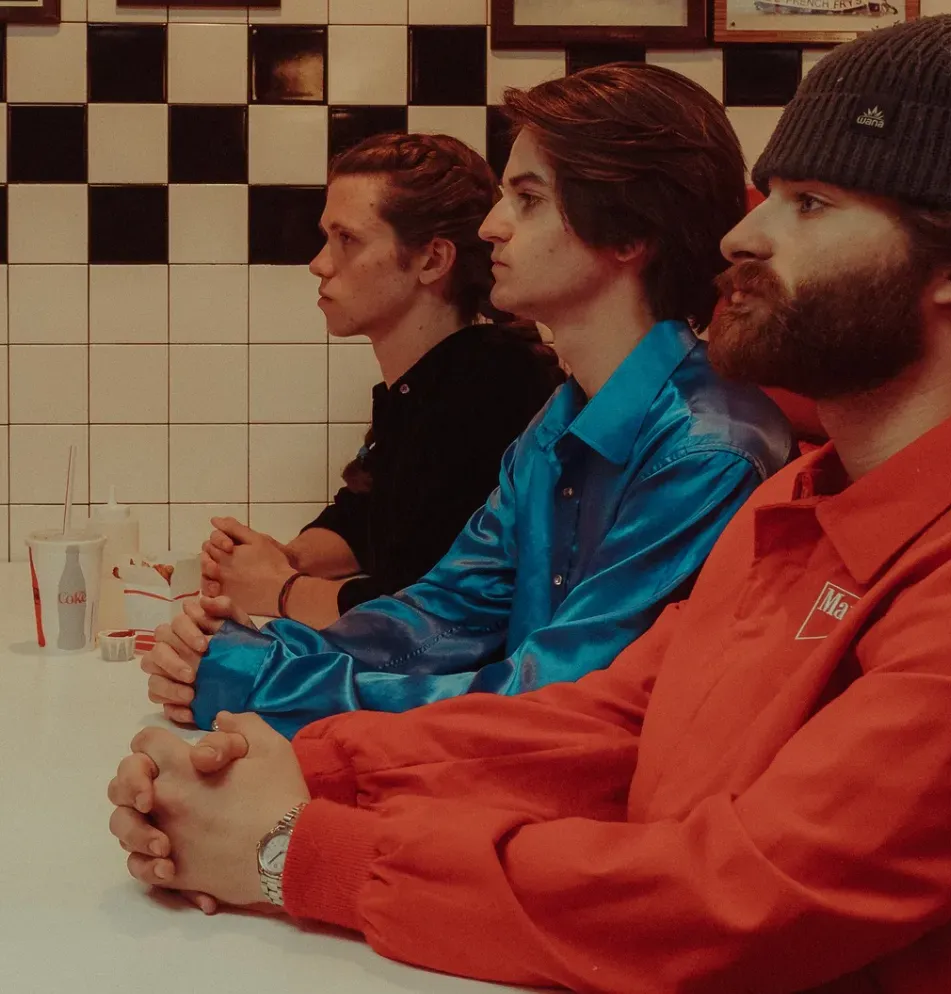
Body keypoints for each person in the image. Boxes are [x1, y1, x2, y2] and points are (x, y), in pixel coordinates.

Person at [110, 16, 951, 991]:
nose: (738, 236)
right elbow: (611, 721)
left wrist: (291, 849)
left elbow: (737, 901)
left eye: (809, 204)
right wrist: (291, 766)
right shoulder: (805, 499)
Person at [141, 63, 796, 736]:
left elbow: (563, 700)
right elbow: (444, 613)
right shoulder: (563, 418)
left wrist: (263, 681)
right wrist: (260, 650)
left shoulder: (704, 450)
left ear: (629, 236)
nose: (491, 226)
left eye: (528, 199)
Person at [191, 132, 563, 648]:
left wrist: (280, 589)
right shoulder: (425, 385)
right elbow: (370, 514)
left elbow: (429, 607)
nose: (319, 263)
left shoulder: (491, 395)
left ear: (433, 261)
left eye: (347, 239)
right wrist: (280, 558)